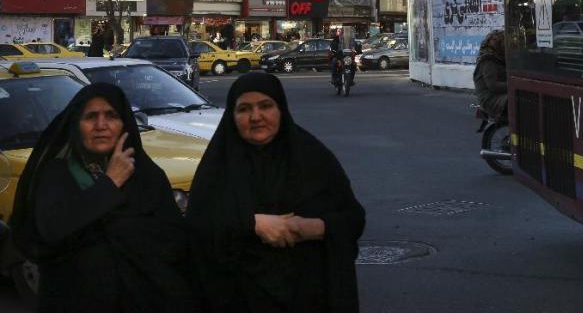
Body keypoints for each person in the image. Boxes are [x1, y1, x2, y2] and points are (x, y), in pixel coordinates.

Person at [9, 84, 198, 312]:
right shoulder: (56, 175)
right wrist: (110, 183)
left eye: (111, 116)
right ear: (76, 126)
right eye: (90, 117)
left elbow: (173, 242)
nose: (101, 126)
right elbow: (53, 231)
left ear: (124, 124)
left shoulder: (147, 176)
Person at [186, 73, 365, 313]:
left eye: (266, 106)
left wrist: (312, 227)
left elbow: (352, 219)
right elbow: (197, 228)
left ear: (281, 109)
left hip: (308, 296)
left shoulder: (311, 157)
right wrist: (251, 224)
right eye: (244, 109)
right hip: (237, 298)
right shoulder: (218, 167)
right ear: (232, 116)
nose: (256, 117)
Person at [473, 30, 507, 120]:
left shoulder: (499, 58)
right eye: (504, 43)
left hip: (498, 95)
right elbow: (493, 86)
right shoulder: (488, 60)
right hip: (490, 99)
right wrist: (513, 86)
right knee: (518, 101)